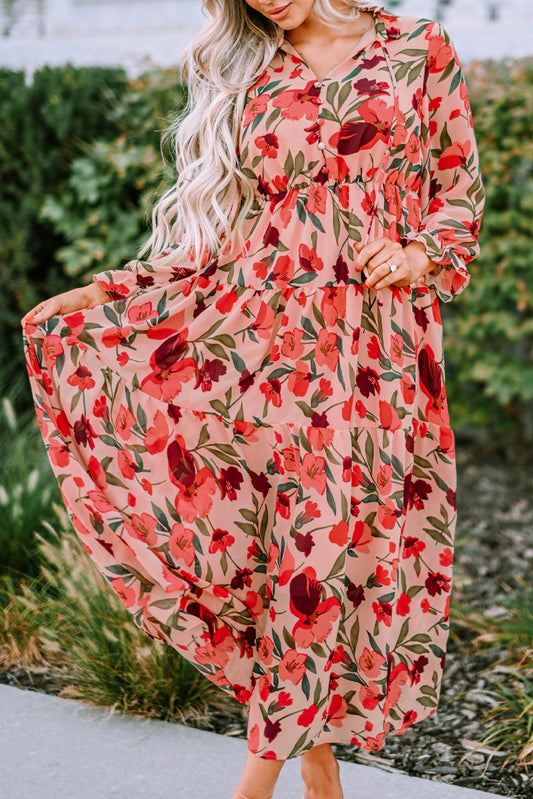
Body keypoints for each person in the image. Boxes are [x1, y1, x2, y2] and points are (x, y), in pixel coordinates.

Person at [21, 1, 485, 797]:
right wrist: (109, 289)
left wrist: (413, 251)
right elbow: (217, 234)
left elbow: (458, 192)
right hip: (260, 350)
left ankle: (310, 776)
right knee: (292, 557)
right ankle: (278, 783)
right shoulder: (244, 67)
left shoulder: (416, 47)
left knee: (330, 550)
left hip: (373, 353)